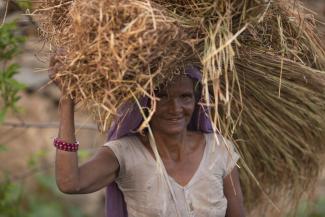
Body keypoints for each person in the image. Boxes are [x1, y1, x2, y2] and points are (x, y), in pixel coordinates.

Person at [49, 52, 246, 217]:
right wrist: (67, 99)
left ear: (196, 102)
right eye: (161, 96)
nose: (175, 108)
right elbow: (70, 183)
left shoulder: (219, 150)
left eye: (185, 97)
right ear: (144, 103)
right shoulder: (126, 153)